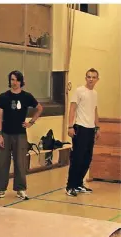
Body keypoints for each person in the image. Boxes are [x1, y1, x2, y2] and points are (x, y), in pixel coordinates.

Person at [0, 70, 43, 200]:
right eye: (11, 80)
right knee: (3, 162)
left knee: (20, 162)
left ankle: (20, 189)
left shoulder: (27, 97)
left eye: (16, 80)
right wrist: (0, 134)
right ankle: (0, 189)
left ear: (21, 81)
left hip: (20, 135)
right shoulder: (4, 97)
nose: (13, 82)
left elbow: (39, 108)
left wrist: (31, 122)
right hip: (5, 133)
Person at [66, 68, 100, 197]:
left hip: (90, 129)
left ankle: (79, 184)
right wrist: (70, 126)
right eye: (89, 77)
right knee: (77, 159)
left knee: (87, 158)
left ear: (97, 79)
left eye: (93, 77)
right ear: (86, 78)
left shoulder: (95, 93)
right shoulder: (79, 91)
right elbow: (72, 108)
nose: (91, 79)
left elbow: (95, 111)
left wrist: (97, 128)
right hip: (80, 128)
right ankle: (70, 186)